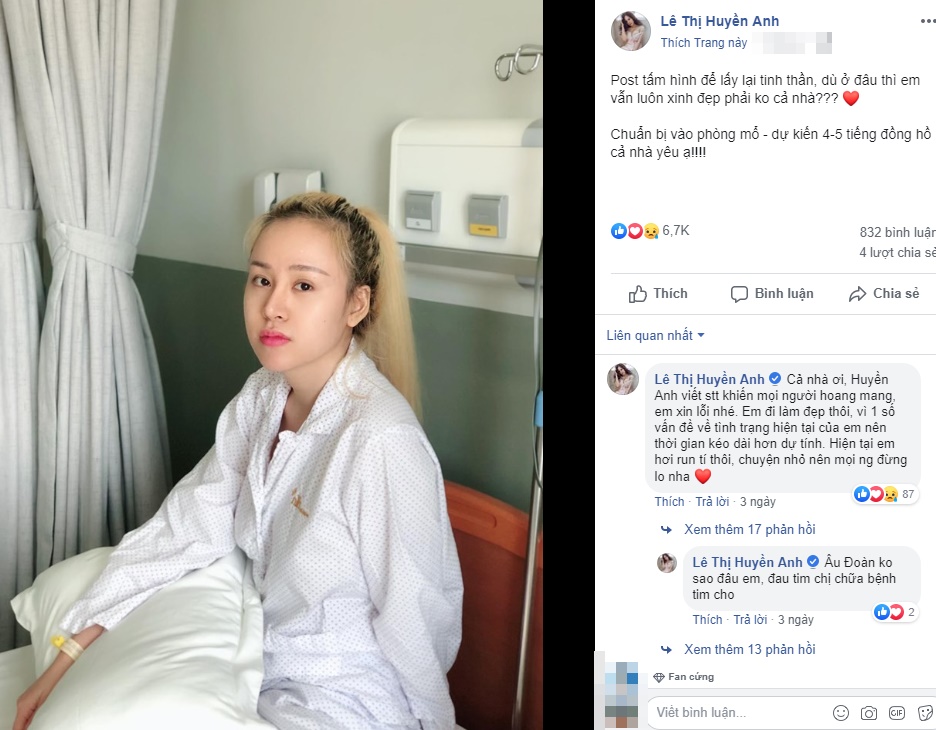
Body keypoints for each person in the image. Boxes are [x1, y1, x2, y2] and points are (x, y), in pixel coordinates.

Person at [14, 192, 464, 730]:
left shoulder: (381, 442)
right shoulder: (262, 399)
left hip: (345, 704)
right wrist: (67, 656)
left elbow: (418, 626)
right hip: (257, 675)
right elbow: (181, 532)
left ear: (356, 305)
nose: (273, 305)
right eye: (261, 279)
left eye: (303, 285)